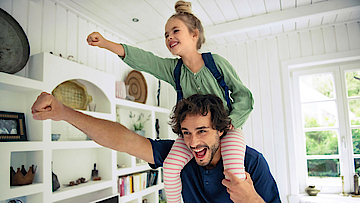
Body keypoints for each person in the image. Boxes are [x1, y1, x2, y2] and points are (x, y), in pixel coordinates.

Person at [87, 1, 253, 202]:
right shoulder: (173, 70)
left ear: (194, 34)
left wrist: (232, 122)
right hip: (192, 135)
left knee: (235, 170)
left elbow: (244, 96)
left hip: (227, 129)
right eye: (166, 34)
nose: (169, 37)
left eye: (175, 31)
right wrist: (106, 43)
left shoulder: (215, 63)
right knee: (172, 167)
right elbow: (145, 60)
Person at [31, 92, 281, 203]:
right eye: (186, 133)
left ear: (221, 129)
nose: (193, 143)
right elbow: (123, 140)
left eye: (202, 131)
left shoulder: (252, 162)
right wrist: (63, 112)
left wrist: (252, 201)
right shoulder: (180, 155)